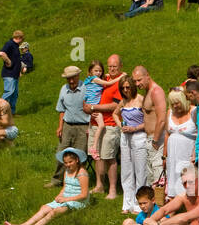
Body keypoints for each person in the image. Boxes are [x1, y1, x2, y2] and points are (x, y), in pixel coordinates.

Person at [6, 147, 89, 225]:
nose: (68, 165)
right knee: (44, 208)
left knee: (55, 211)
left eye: (70, 162)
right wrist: (60, 195)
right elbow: (65, 187)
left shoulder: (82, 173)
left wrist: (66, 200)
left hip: (77, 201)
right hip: (66, 197)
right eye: (65, 163)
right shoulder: (67, 171)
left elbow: (84, 195)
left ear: (77, 160)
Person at [91, 55, 125, 199]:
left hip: (111, 124)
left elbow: (115, 105)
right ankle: (99, 185)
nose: (111, 69)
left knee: (109, 157)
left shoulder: (121, 83)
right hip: (96, 124)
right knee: (97, 155)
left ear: (120, 67)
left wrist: (93, 107)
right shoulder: (105, 79)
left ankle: (112, 190)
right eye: (109, 66)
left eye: (114, 67)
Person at [132, 66, 167, 198]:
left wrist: (155, 140)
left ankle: (162, 211)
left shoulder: (156, 92)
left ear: (148, 75)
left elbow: (162, 119)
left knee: (159, 178)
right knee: (152, 177)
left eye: (139, 80)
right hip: (149, 140)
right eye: (135, 81)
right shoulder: (147, 91)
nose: (137, 84)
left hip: (157, 141)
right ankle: (155, 211)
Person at [115, 75, 148, 213]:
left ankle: (138, 204)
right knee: (126, 171)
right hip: (125, 138)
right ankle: (127, 203)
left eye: (128, 87)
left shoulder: (141, 100)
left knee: (140, 171)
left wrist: (135, 128)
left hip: (139, 136)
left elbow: (149, 121)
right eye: (123, 88)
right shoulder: (123, 101)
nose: (126, 90)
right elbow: (115, 114)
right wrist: (120, 126)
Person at [53, 66, 89, 185]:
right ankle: (57, 179)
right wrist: (60, 126)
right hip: (67, 125)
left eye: (73, 78)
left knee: (79, 155)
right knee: (61, 152)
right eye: (68, 79)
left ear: (78, 76)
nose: (71, 81)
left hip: (83, 126)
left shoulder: (86, 89)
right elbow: (61, 109)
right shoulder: (64, 89)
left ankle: (77, 181)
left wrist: (91, 127)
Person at [164, 89, 197, 198]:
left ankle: (188, 205)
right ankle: (173, 205)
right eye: (172, 103)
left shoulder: (194, 111)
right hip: (172, 155)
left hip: (187, 153)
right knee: (172, 177)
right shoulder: (170, 112)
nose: (175, 106)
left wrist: (194, 153)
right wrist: (164, 156)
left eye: (177, 103)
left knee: (186, 177)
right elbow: (167, 134)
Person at [0, 30, 25, 113]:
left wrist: (19, 71)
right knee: (9, 92)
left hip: (15, 74)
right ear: (19, 38)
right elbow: (1, 53)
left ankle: (11, 112)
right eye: (22, 39)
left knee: (14, 94)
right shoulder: (10, 44)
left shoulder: (15, 46)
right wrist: (8, 62)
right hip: (9, 73)